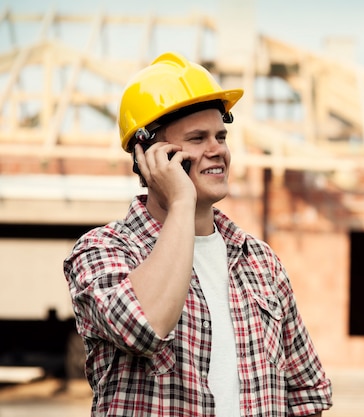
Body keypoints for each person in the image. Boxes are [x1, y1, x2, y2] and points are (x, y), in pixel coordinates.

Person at [63, 51, 333, 417]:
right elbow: (145, 325)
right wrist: (180, 202)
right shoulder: (102, 251)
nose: (217, 150)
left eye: (221, 136)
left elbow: (306, 394)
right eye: (197, 138)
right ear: (147, 155)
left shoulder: (260, 260)